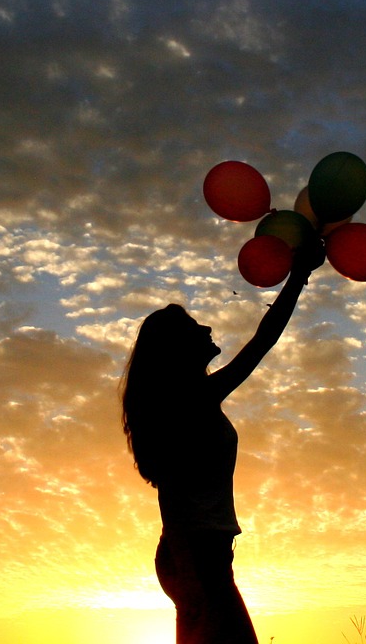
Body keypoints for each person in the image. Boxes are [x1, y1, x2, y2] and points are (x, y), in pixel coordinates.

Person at [120, 243, 324, 644]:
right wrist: (192, 577)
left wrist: (300, 277)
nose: (207, 329)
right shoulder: (186, 404)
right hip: (195, 556)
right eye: (195, 327)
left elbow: (261, 343)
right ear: (178, 349)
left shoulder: (195, 398)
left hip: (202, 556)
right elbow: (173, 499)